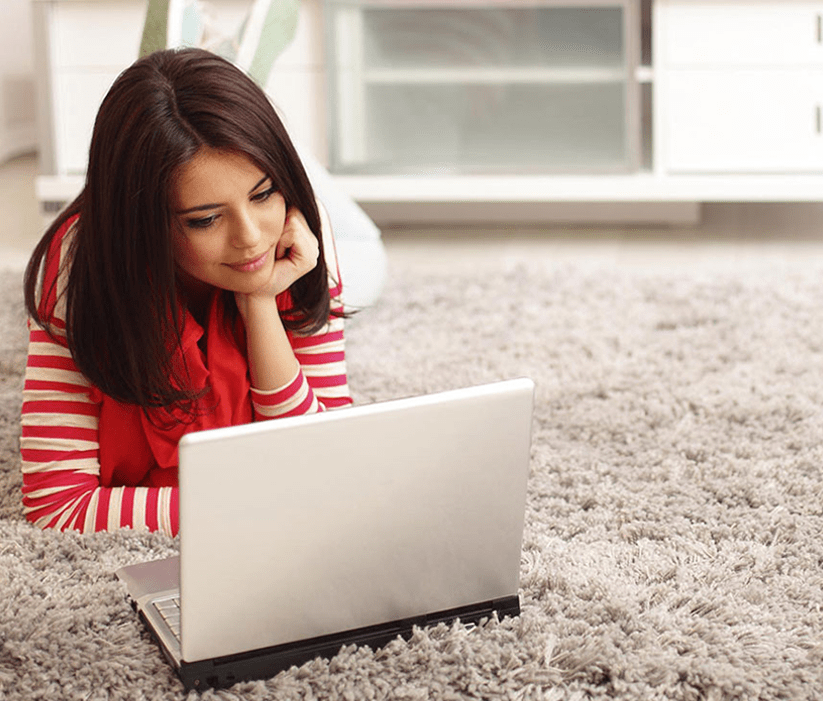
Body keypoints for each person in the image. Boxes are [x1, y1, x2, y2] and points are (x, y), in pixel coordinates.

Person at [20, 48, 352, 536]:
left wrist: (259, 300)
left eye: (262, 193)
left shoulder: (297, 233)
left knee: (365, 254)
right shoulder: (79, 267)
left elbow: (327, 460)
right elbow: (58, 507)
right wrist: (258, 507)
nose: (250, 237)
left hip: (326, 230)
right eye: (205, 219)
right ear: (144, 225)